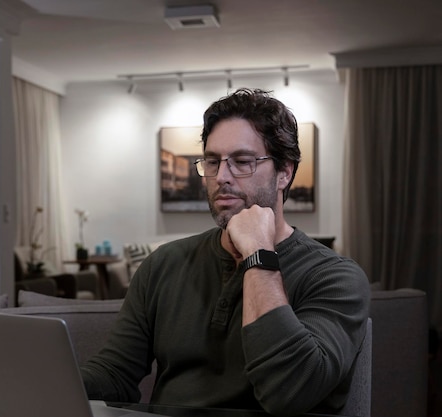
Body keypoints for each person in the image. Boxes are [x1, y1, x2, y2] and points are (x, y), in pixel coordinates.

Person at [80, 88, 370, 416]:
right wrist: (43, 383)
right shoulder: (164, 263)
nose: (221, 177)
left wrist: (258, 253)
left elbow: (291, 392)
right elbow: (116, 373)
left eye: (242, 162)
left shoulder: (335, 277)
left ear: (284, 172)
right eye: (213, 161)